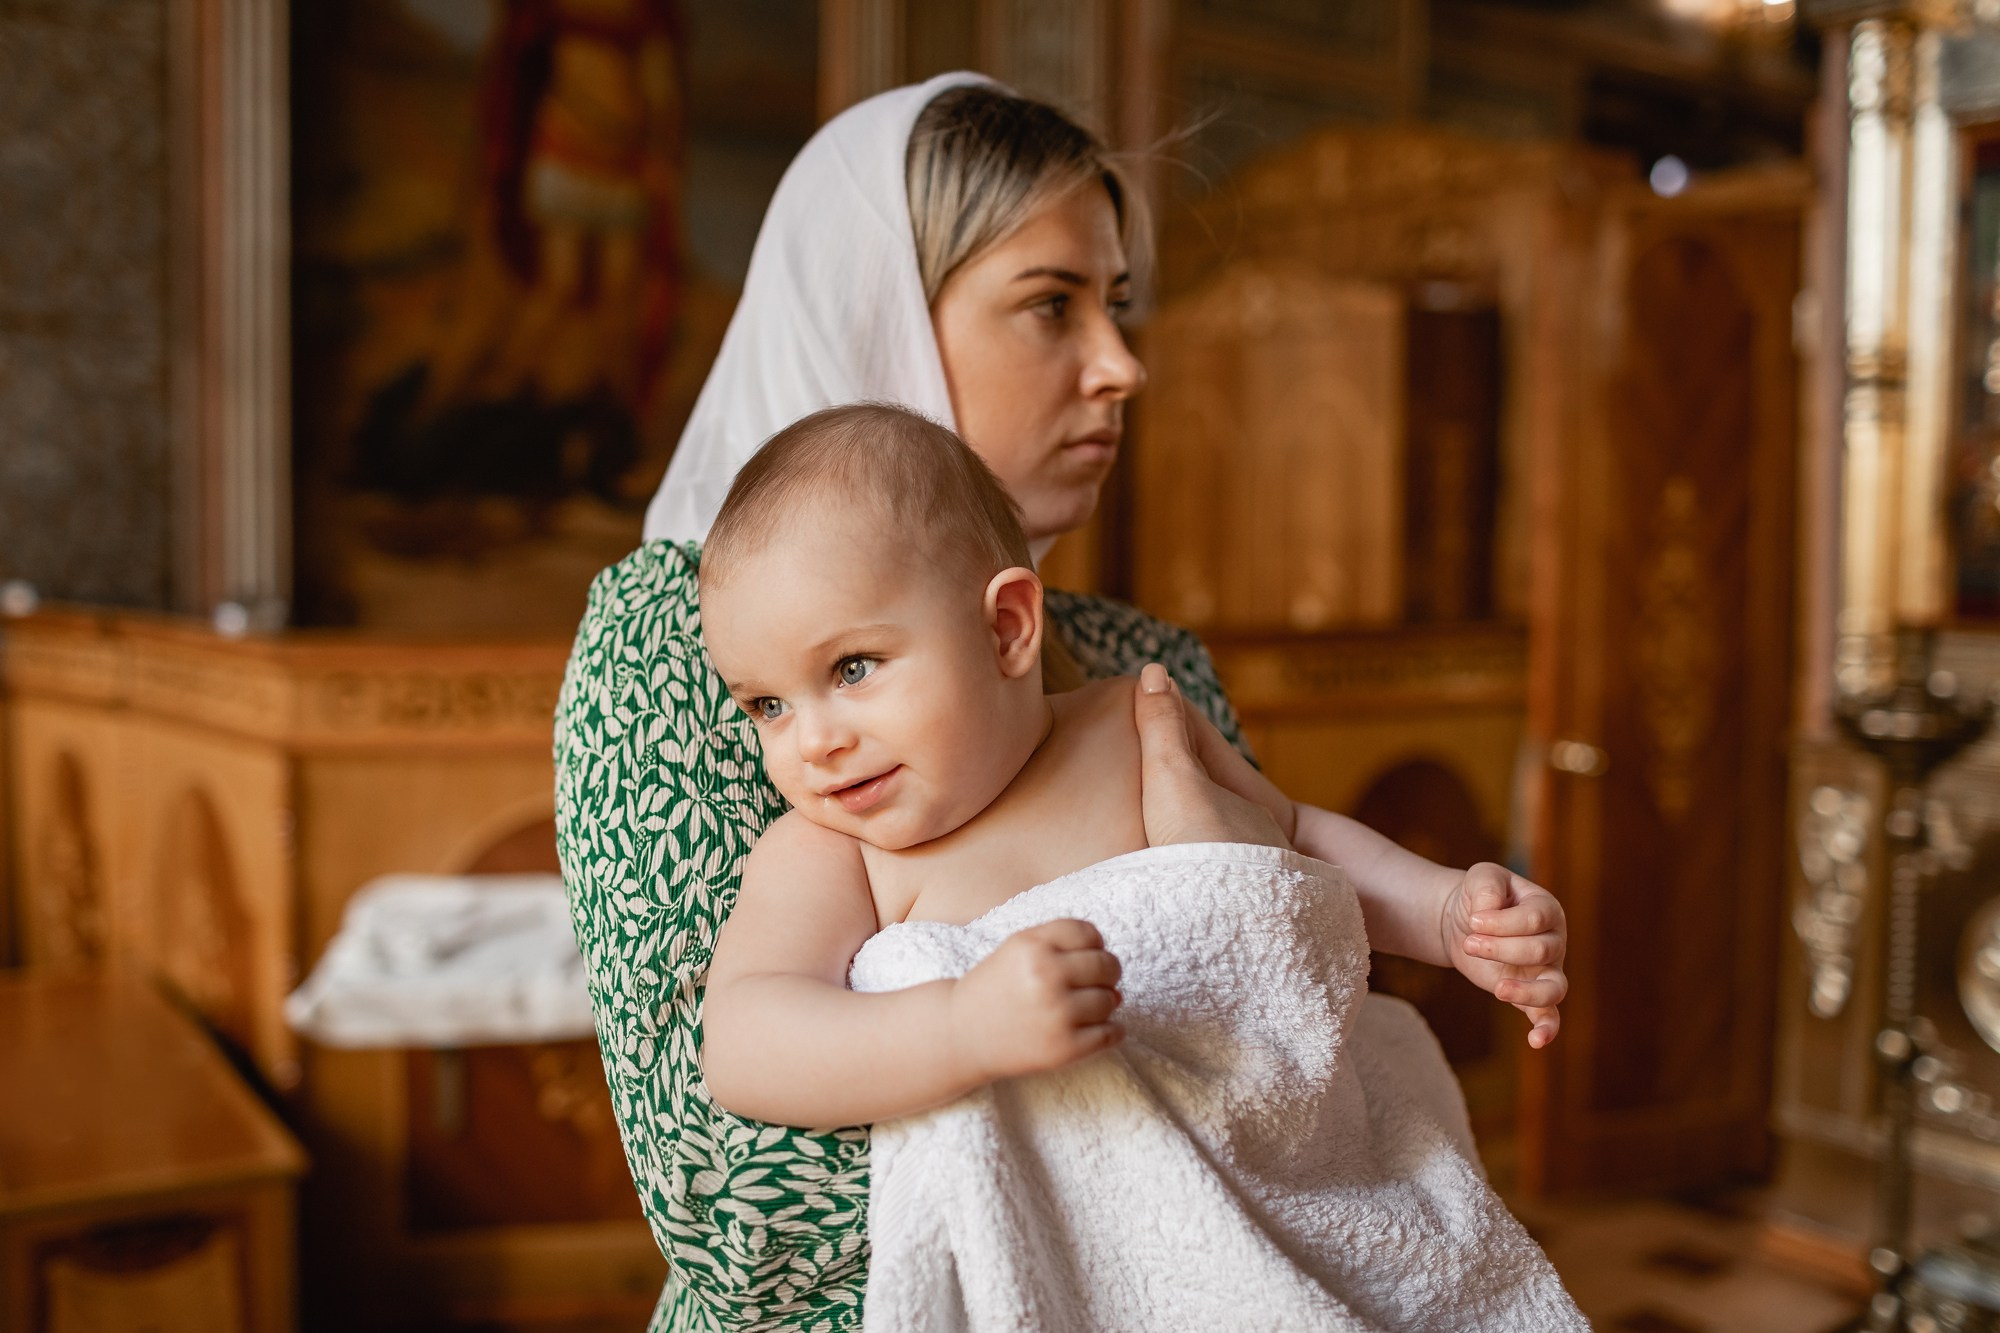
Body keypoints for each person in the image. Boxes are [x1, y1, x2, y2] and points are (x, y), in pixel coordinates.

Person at [554, 72, 1568, 1330]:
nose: (1122, 366)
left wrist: (1441, 911)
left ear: (1008, 628)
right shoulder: (684, 649)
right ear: (887, 312)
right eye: (1050, 304)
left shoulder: (1141, 669)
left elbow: (1297, 971)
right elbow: (737, 1205)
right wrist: (1004, 1041)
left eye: (1116, 304)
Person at [693, 402, 1583, 1329]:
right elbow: (746, 1040)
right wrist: (961, 1027)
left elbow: (1297, 846)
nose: (813, 743)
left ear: (1006, 629)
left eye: (851, 668)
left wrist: (1444, 913)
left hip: (1273, 1174)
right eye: (766, 706)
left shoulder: (1136, 722)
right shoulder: (834, 854)